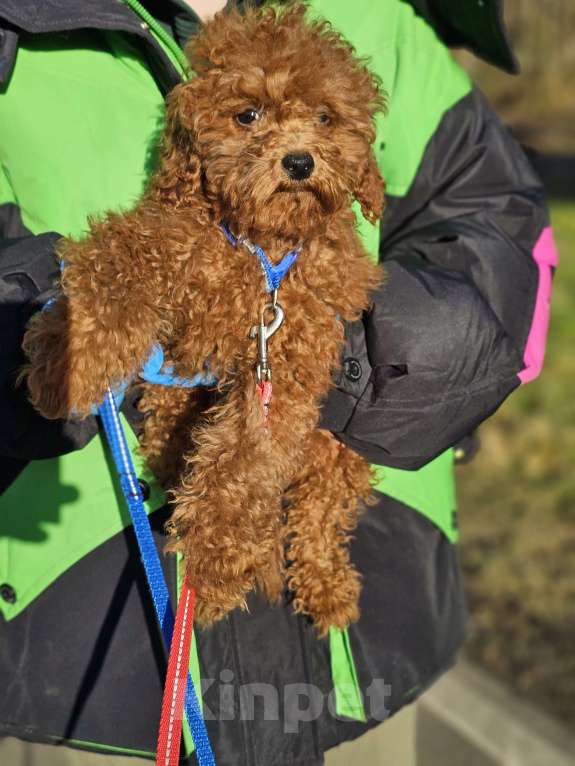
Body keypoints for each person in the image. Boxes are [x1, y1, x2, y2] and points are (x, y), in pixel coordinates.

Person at [0, 0, 556, 764]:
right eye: (251, 119)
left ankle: (318, 551)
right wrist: (41, 338)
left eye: (321, 126)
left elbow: (500, 229)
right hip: (86, 655)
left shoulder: (382, 21)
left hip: (363, 649)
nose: (294, 151)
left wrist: (390, 354)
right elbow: (113, 270)